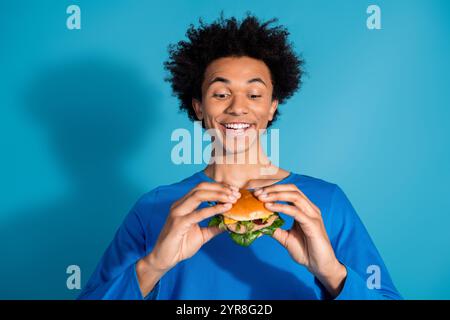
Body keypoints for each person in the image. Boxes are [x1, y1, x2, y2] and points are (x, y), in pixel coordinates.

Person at [78, 14, 402, 300]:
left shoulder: (324, 203)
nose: (237, 107)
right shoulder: (154, 208)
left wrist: (331, 271)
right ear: (199, 107)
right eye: (220, 94)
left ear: (272, 106)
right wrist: (154, 264)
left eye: (254, 94)